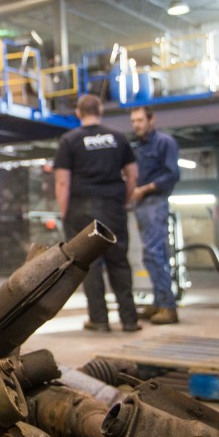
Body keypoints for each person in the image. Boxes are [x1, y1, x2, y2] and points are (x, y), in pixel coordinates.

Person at [54, 94, 140, 332]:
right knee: (119, 262)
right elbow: (132, 175)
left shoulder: (69, 140)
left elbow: (62, 182)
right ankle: (129, 320)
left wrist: (65, 212)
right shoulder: (118, 137)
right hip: (113, 205)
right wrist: (122, 200)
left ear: (78, 113)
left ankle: (99, 320)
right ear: (100, 110)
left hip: (81, 208)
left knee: (88, 265)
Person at [129, 106, 181, 325]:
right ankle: (159, 301)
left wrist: (146, 188)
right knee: (150, 255)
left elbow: (172, 174)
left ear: (151, 119)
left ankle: (168, 307)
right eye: (133, 121)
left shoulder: (164, 142)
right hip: (141, 205)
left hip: (155, 202)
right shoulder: (139, 147)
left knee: (154, 253)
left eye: (140, 120)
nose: (136, 125)